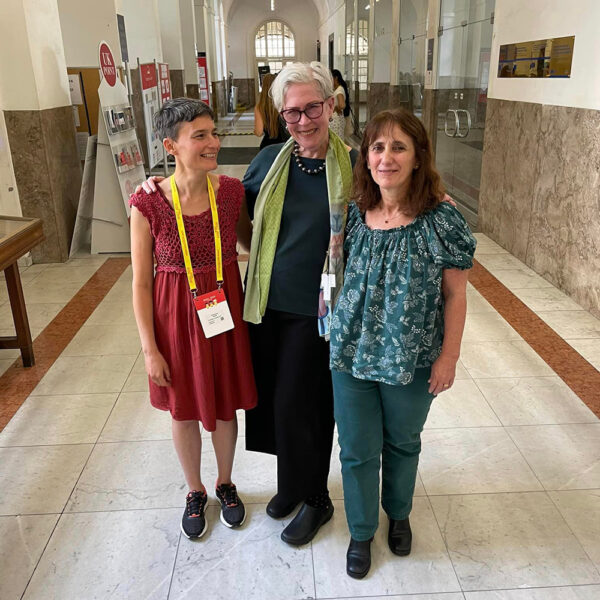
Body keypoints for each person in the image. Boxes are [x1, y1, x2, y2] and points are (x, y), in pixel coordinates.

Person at [329, 109, 476, 578]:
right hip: (351, 354)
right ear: (366, 157)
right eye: (377, 147)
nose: (386, 157)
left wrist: (449, 356)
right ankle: (360, 530)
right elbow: (332, 279)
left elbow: (456, 294)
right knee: (356, 447)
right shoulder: (352, 215)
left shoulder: (442, 219)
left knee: (403, 442)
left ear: (417, 158)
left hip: (411, 358)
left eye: (398, 147)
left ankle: (399, 512)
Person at [129, 98, 257, 540]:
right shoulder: (147, 203)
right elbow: (141, 284)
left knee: (223, 404)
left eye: (213, 133)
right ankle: (195, 490)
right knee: (182, 410)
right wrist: (150, 350)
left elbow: (252, 243)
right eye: (199, 136)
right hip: (174, 321)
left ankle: (225, 481)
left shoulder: (232, 192)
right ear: (172, 145)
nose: (213, 143)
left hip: (222, 314)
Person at [243, 61, 358, 546]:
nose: (304, 121)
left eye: (313, 107)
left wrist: (435, 196)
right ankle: (290, 484)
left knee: (305, 404)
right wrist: (161, 190)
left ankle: (316, 497)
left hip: (323, 306)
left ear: (331, 105)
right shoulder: (269, 162)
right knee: (273, 401)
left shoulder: (356, 164)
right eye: (292, 113)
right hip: (268, 301)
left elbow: (398, 198)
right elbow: (225, 208)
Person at [254, 72, 288, 149]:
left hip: (267, 146)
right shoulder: (283, 103)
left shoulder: (259, 107)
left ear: (263, 86)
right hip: (284, 145)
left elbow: (259, 132)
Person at [330, 69, 349, 140]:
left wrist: (335, 108)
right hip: (335, 119)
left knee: (337, 140)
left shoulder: (339, 90)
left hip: (337, 120)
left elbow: (342, 105)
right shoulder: (337, 89)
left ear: (336, 78)